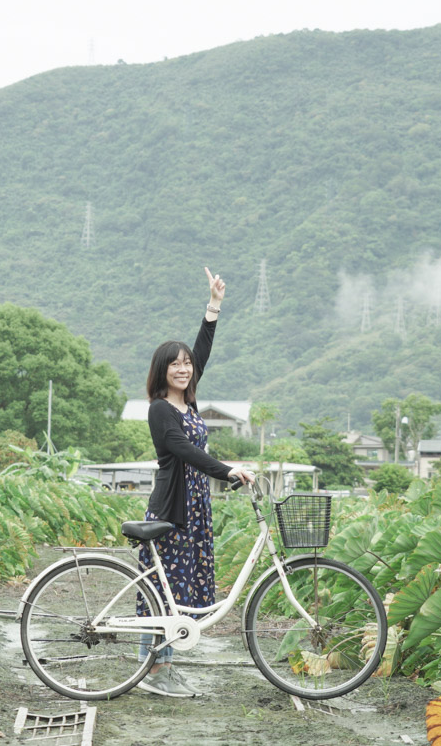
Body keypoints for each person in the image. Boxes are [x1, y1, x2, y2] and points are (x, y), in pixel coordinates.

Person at [135, 267, 255, 698]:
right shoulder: (160, 410)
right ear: (161, 371)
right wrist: (226, 469)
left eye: (186, 365)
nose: (184, 370)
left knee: (179, 591)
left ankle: (166, 665)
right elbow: (185, 452)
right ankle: (152, 670)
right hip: (172, 510)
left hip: (196, 509)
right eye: (175, 365)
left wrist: (214, 304)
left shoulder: (189, 401)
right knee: (162, 589)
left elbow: (202, 349)